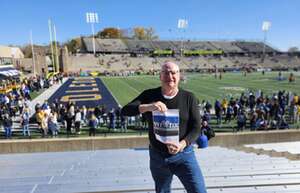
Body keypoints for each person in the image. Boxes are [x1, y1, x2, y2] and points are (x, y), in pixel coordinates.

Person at [122, 61, 207, 193]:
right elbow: (125, 110)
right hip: (158, 157)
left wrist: (182, 144)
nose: (170, 76)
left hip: (184, 155)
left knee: (199, 190)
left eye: (173, 73)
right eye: (166, 73)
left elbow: (196, 127)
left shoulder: (189, 97)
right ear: (160, 76)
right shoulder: (149, 95)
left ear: (179, 76)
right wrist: (148, 106)